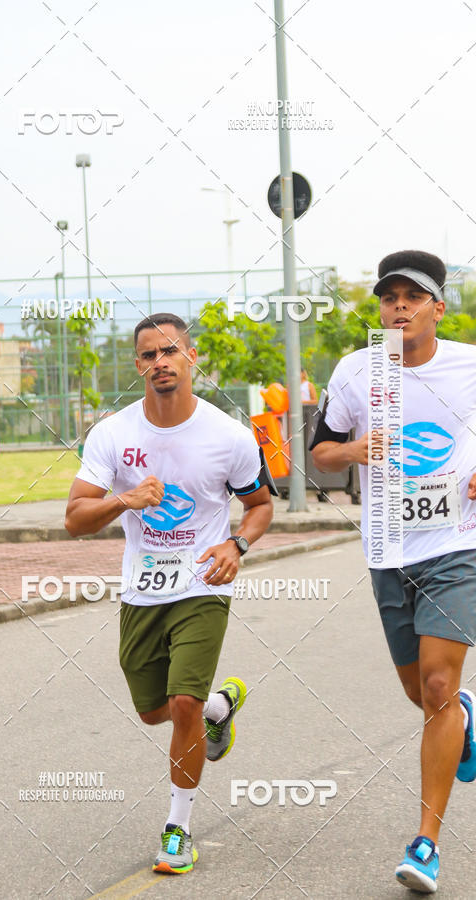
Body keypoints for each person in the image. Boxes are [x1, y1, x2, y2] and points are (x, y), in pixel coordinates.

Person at [65, 312, 274, 875]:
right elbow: (74, 518)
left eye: (170, 352)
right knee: (155, 711)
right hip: (142, 590)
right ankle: (218, 707)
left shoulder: (229, 435)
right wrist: (122, 501)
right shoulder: (113, 434)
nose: (160, 362)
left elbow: (259, 507)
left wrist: (236, 546)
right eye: (148, 355)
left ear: (191, 357)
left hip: (202, 583)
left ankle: (177, 828)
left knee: (179, 703)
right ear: (138, 366)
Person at [310, 250, 476, 893]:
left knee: (436, 684)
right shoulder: (356, 372)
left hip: (457, 545)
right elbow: (320, 450)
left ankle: (426, 842)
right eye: (389, 297)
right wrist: (353, 449)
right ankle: (462, 713)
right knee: (424, 696)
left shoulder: (469, 364)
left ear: (439, 308)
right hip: (387, 550)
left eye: (413, 296)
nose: (398, 306)